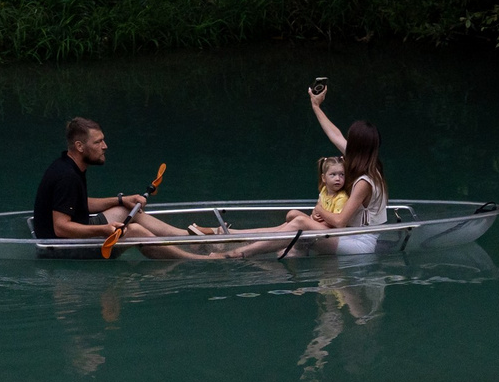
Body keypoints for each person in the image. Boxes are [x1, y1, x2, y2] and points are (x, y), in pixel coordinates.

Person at [201, 84, 391, 257]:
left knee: (300, 222)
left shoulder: (365, 181)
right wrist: (316, 106)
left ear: (358, 146)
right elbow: (335, 134)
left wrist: (319, 210)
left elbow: (341, 221)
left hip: (358, 244)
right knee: (292, 219)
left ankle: (235, 254)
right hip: (345, 235)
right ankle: (229, 235)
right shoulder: (363, 162)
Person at [31, 116, 192, 250]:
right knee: (135, 231)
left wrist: (121, 199)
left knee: (128, 209)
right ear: (79, 146)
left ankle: (189, 237)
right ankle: (196, 258)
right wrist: (102, 230)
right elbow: (60, 228)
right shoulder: (67, 176)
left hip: (76, 232)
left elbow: (77, 203)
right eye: (98, 142)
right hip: (62, 249)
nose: (105, 146)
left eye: (103, 140)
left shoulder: (69, 165)